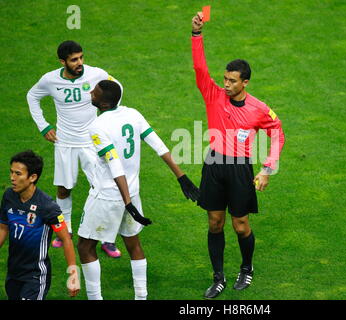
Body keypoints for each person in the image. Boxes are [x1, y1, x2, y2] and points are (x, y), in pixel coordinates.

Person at [191, 11, 286, 299]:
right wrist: (197, 35)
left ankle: (246, 268)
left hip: (240, 169)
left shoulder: (258, 108)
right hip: (214, 165)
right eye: (225, 79)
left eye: (232, 81)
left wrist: (267, 168)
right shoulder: (213, 94)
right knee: (215, 222)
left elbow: (277, 134)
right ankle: (218, 277)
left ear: (245, 82)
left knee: (240, 224)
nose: (226, 85)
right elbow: (199, 69)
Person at [77, 80, 199, 300]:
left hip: (108, 195)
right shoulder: (133, 114)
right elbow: (158, 145)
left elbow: (114, 163)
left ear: (103, 103)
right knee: (133, 243)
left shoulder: (97, 127)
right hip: (132, 191)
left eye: (94, 92)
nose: (91, 94)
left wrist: (127, 203)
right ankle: (141, 297)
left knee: (85, 247)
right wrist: (182, 177)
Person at [27, 40, 122, 257]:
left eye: (81, 57)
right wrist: (44, 126)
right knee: (64, 188)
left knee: (103, 189)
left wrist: (109, 115)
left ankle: (107, 238)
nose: (80, 63)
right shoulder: (50, 80)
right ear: (63, 62)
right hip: (65, 142)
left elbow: (117, 88)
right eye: (74, 60)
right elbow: (32, 96)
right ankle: (66, 230)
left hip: (92, 142)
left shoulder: (96, 74)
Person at [0, 150, 80, 300]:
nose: (12, 178)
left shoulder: (47, 206)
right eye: (11, 172)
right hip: (13, 272)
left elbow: (66, 239)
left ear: (32, 177)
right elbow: (3, 227)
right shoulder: (9, 196)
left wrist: (73, 274)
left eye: (18, 174)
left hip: (35, 276)